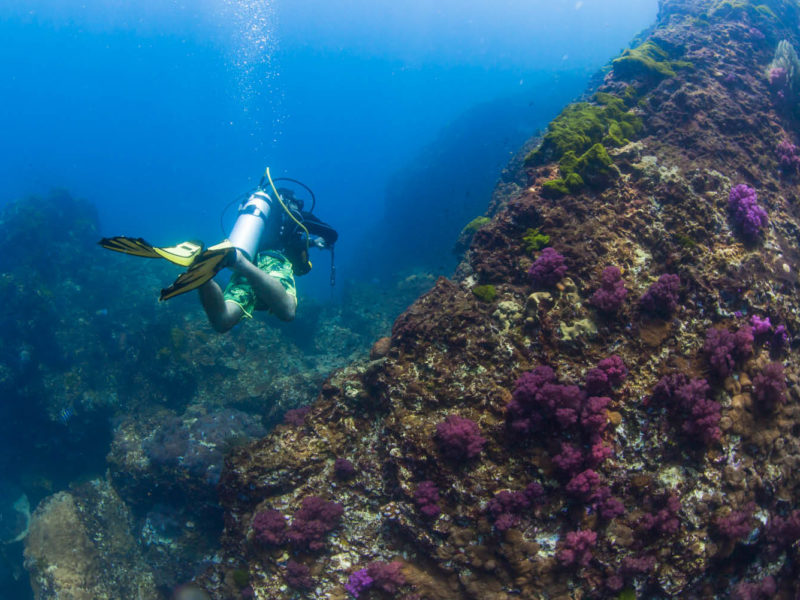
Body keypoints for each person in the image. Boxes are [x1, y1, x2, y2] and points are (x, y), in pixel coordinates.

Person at [198, 240, 297, 332]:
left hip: (247, 262)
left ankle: (202, 276)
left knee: (223, 321)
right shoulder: (296, 225)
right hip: (272, 260)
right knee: (287, 311)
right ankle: (240, 261)